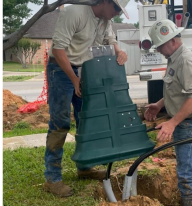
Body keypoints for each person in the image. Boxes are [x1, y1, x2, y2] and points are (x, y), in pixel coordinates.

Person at [43, 0, 129, 197]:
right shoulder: (74, 13)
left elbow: (110, 40)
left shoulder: (105, 19)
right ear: (105, 1)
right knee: (60, 122)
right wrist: (74, 80)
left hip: (84, 69)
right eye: (116, 8)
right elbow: (58, 49)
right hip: (61, 69)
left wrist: (120, 52)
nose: (117, 13)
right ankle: (52, 178)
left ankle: (85, 167)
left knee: (87, 120)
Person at [145, 19, 192, 206]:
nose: (157, 50)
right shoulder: (175, 59)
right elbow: (178, 91)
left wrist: (172, 123)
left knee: (186, 174)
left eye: (159, 46)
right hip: (186, 122)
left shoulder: (186, 60)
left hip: (191, 124)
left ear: (172, 40)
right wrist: (159, 105)